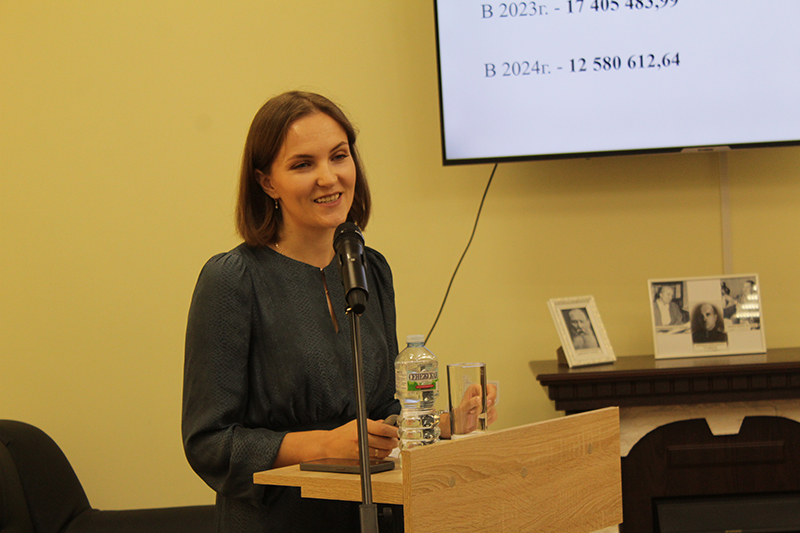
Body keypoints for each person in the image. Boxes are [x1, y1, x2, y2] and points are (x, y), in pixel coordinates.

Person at [181, 91, 496, 532]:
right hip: (281, 519)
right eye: (303, 164)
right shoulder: (233, 279)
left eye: (339, 156)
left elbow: (381, 408)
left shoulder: (370, 268)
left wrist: (442, 424)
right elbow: (209, 442)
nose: (328, 178)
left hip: (375, 511)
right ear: (267, 182)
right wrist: (324, 445)